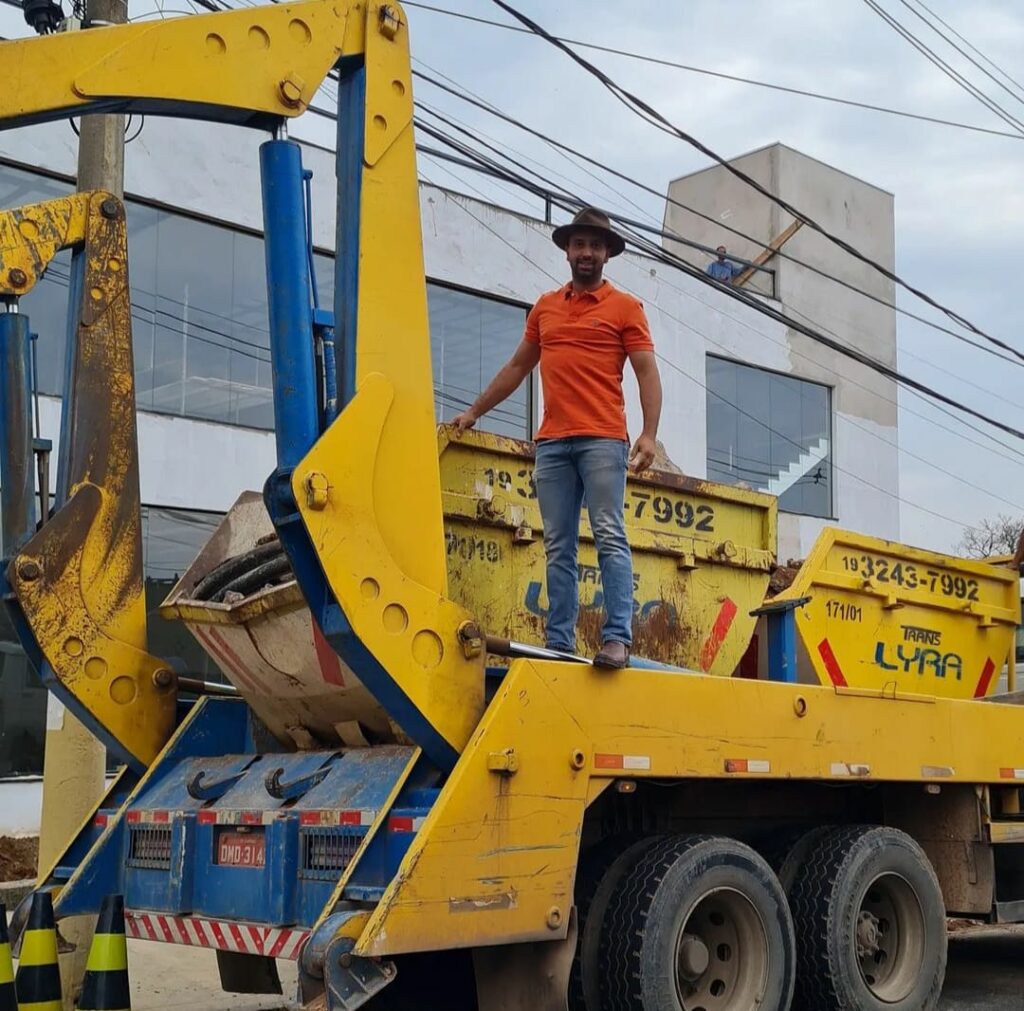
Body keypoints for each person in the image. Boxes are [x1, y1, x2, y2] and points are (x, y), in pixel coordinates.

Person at [451, 208, 662, 669]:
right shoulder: (545, 307)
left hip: (603, 440)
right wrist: (473, 411)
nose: (586, 252)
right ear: (568, 251)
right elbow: (516, 367)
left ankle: (617, 640)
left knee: (608, 534)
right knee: (558, 545)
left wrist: (648, 433)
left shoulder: (626, 308)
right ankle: (560, 643)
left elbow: (647, 372)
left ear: (607, 254)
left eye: (595, 245)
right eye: (579, 244)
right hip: (552, 443)